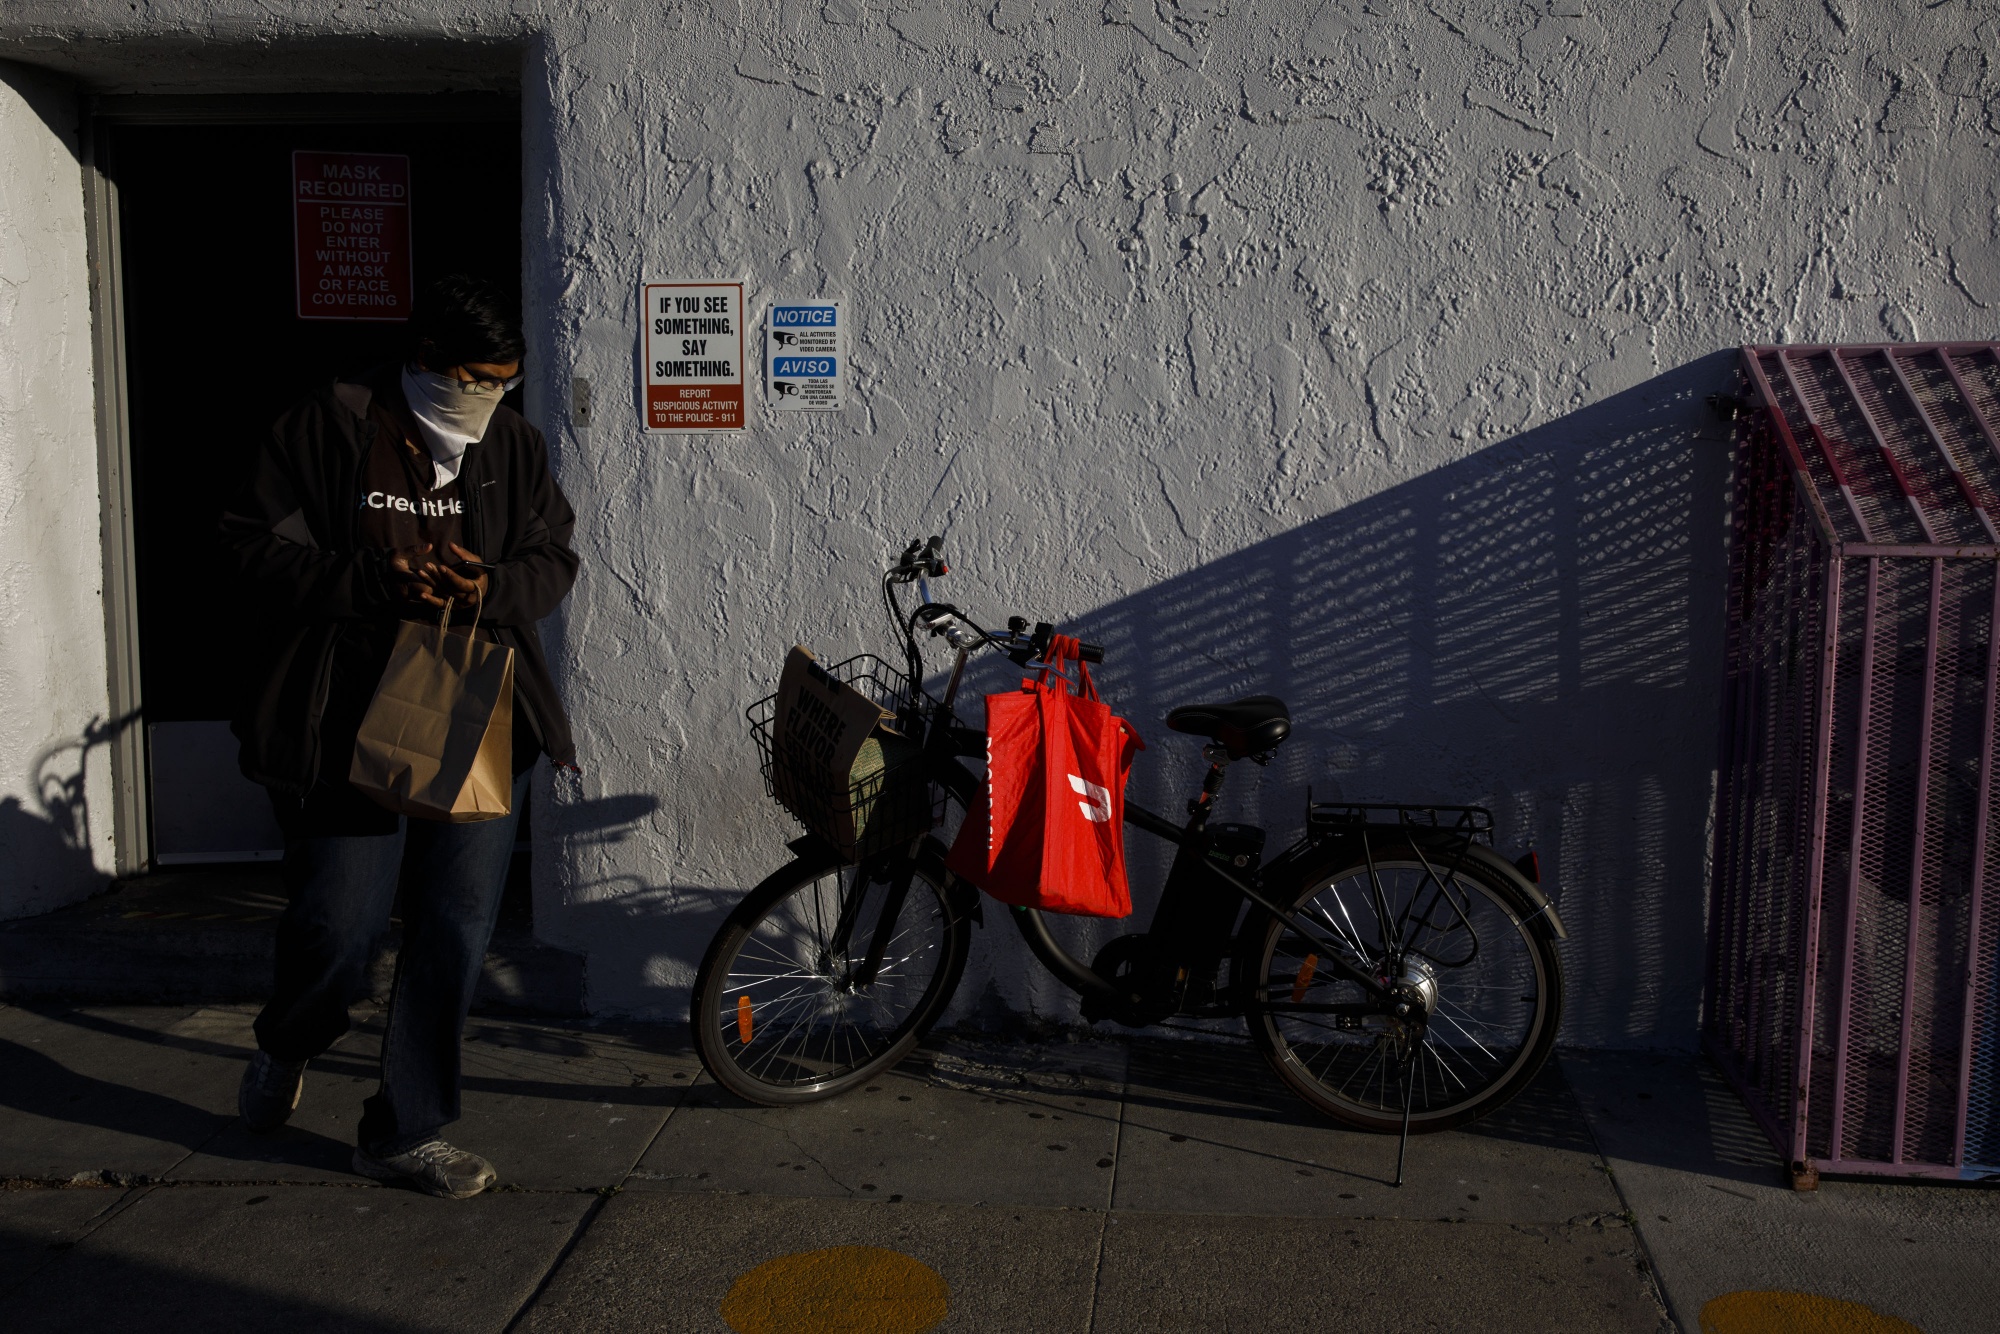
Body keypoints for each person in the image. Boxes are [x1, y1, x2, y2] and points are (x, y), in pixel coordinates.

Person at [220, 275, 578, 1198]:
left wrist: (485, 589)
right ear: (423, 362)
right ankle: (289, 1038)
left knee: (454, 928)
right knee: (337, 930)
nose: (489, 397)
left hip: (475, 718)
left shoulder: (514, 445)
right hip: (343, 725)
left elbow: (552, 557)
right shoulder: (328, 430)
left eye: (505, 380)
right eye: (475, 377)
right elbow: (250, 547)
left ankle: (405, 1129)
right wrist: (378, 575)